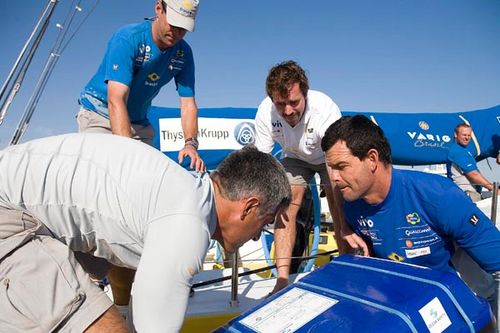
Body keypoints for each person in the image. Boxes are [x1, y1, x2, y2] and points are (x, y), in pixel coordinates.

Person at [0, 133, 291, 332]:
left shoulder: (180, 188)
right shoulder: (187, 222)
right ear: (249, 207)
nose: (256, 238)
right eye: (264, 223)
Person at [321, 115, 500, 299]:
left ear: (372, 159)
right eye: (331, 168)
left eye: (341, 166)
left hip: (457, 306)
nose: (333, 177)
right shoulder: (351, 208)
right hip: (398, 306)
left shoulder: (439, 196)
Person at [77, 0, 204, 172]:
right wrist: (129, 154)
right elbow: (116, 98)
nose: (177, 32)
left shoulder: (184, 53)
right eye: (174, 23)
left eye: (184, 28)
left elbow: (188, 104)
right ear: (159, 8)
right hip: (100, 113)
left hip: (138, 122)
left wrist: (190, 144)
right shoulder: (128, 38)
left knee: (147, 178)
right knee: (103, 173)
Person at [254, 60, 347, 294]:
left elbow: (335, 156)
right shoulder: (265, 110)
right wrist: (261, 208)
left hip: (328, 155)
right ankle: (282, 280)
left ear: (305, 93)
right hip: (295, 156)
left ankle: (347, 266)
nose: (287, 111)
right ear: (272, 99)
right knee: (285, 208)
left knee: (338, 206)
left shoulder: (324, 108)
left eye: (294, 102)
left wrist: (333, 187)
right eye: (280, 104)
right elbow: (262, 163)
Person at [446, 123, 496, 202]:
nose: (467, 138)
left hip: (468, 194)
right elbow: (473, 174)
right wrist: (495, 189)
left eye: (469, 135)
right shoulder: (458, 151)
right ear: (455, 134)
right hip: (465, 196)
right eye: (464, 135)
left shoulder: (463, 151)